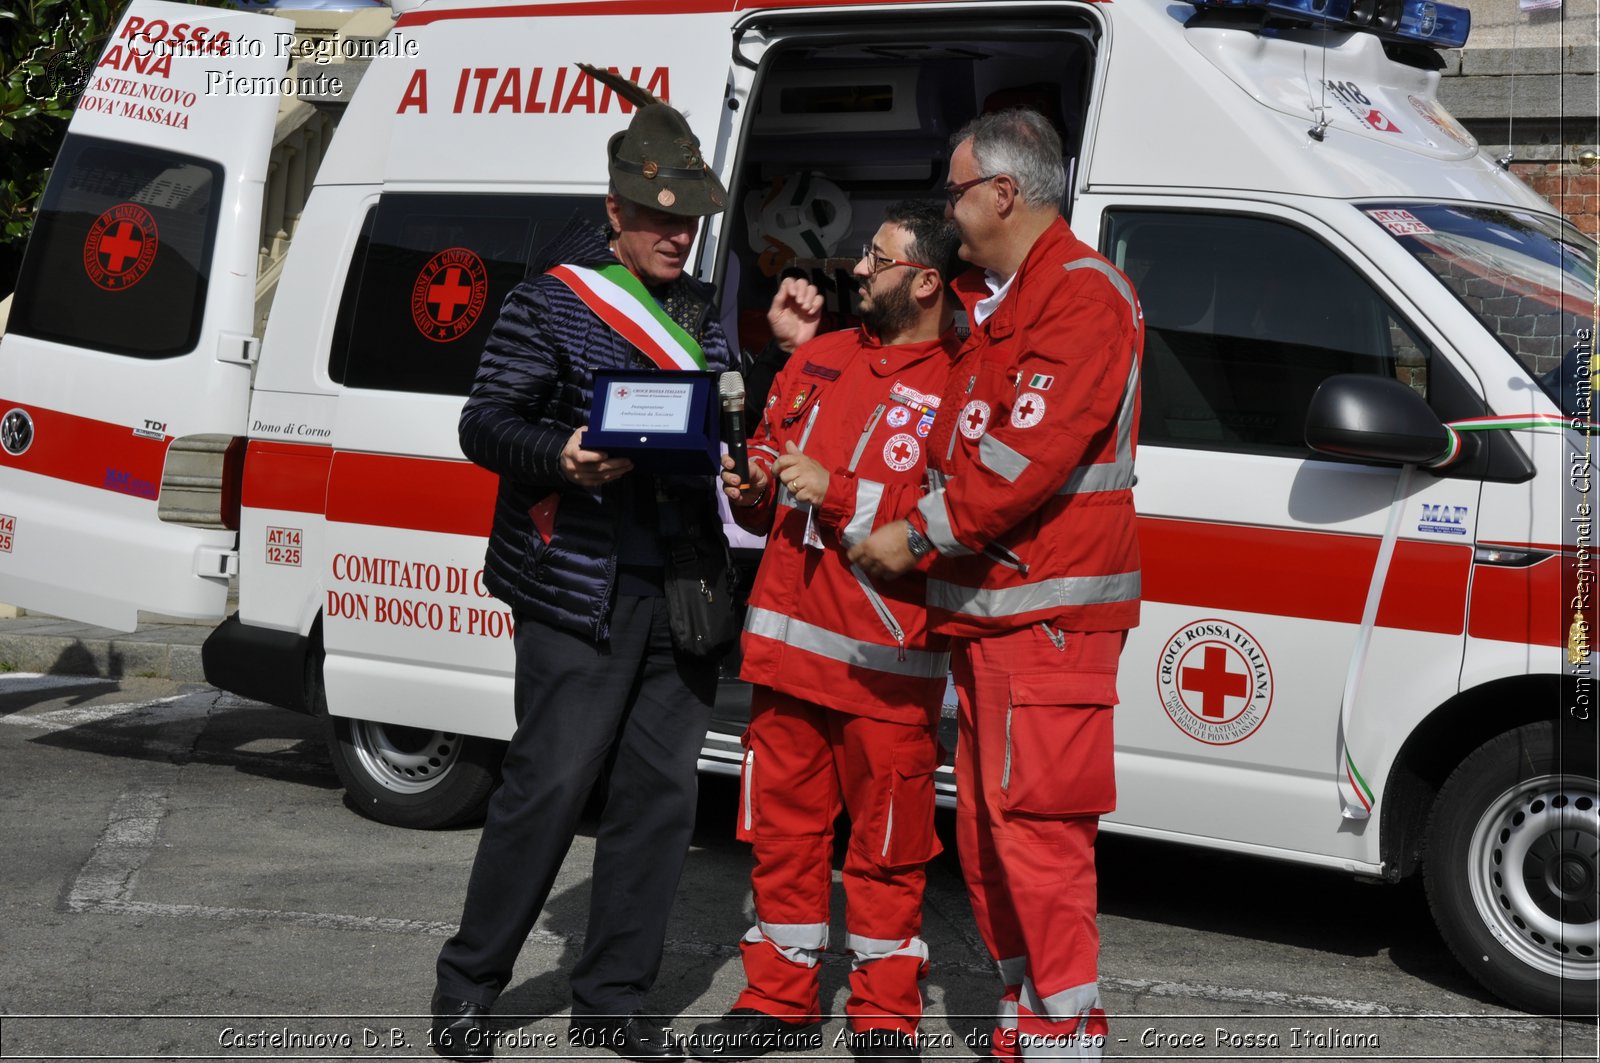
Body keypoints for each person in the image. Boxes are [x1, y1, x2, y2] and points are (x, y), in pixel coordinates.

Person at [429, 87, 733, 1063]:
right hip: (576, 588)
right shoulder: (549, 299)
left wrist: (743, 447)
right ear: (615, 213)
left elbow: (724, 418)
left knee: (659, 803)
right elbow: (485, 424)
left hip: (682, 590)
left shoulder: (704, 310)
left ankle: (613, 997)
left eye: (689, 217)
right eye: (659, 216)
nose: (677, 233)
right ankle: (469, 986)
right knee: (547, 789)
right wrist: (559, 455)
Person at [849, 110, 1145, 1060]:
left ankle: (1069, 1033)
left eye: (956, 189)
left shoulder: (1081, 297)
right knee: (986, 839)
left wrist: (913, 536)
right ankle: (1028, 1016)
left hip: (1047, 622)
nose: (950, 207)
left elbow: (1018, 460)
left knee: (1038, 840)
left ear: (1003, 193)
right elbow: (962, 443)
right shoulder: (1009, 303)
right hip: (994, 623)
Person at [691, 202, 964, 1062]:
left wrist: (838, 488)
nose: (856, 271)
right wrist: (752, 487)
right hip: (785, 651)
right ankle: (778, 998)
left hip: (887, 670)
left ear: (925, 280)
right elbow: (772, 464)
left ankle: (885, 1016)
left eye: (876, 260)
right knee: (783, 840)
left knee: (889, 851)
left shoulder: (963, 378)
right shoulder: (816, 358)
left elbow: (959, 513)